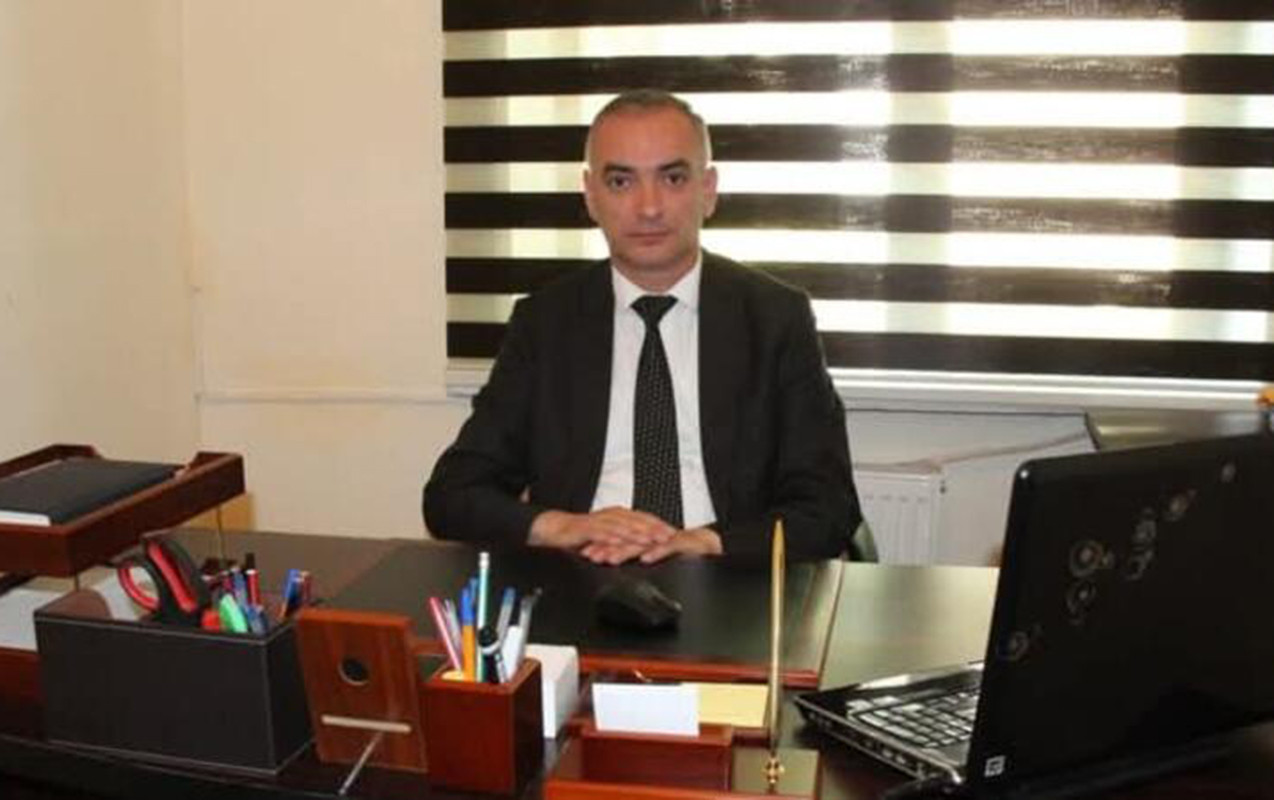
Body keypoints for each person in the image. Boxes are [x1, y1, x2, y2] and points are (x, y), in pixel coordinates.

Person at [424, 90, 860, 564]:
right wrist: (564, 527)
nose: (649, 207)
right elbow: (452, 495)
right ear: (590, 195)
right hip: (582, 570)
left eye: (672, 178)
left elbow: (829, 506)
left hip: (725, 571)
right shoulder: (545, 323)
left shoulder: (775, 318)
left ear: (708, 189)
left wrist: (705, 542)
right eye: (620, 181)